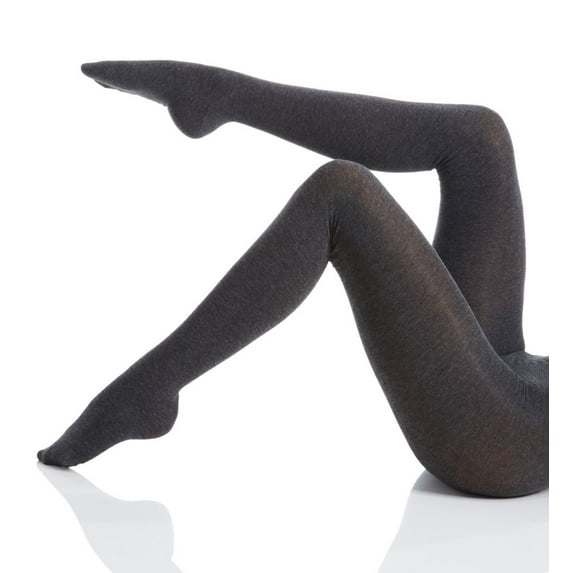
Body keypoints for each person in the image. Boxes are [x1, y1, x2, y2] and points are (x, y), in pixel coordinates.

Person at [37, 60, 549, 498]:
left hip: (511, 435)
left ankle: (149, 390)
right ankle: (222, 95)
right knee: (479, 137)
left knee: (342, 195)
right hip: (520, 373)